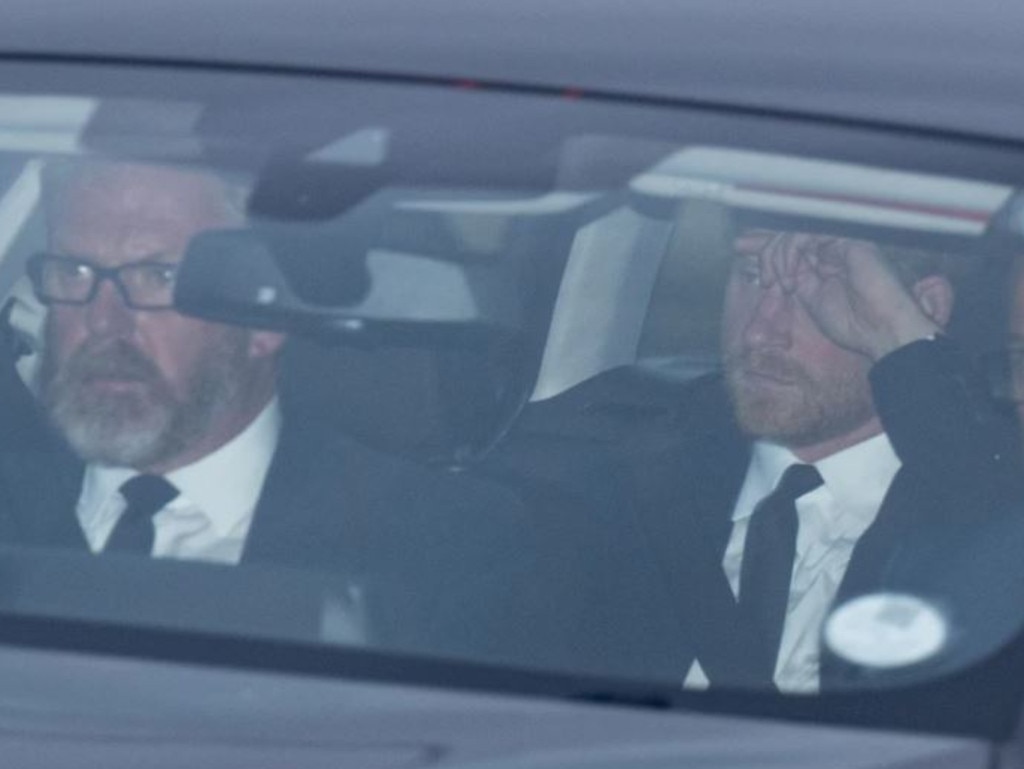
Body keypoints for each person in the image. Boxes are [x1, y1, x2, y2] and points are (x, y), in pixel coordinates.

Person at [0, 159, 558, 663]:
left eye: (158, 278)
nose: (103, 322)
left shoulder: (441, 546)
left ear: (262, 320)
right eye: (73, 274)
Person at [593, 228, 1014, 693]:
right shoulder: (619, 476)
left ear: (923, 307)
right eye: (751, 277)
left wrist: (902, 334)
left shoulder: (980, 515)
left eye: (814, 284)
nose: (759, 331)